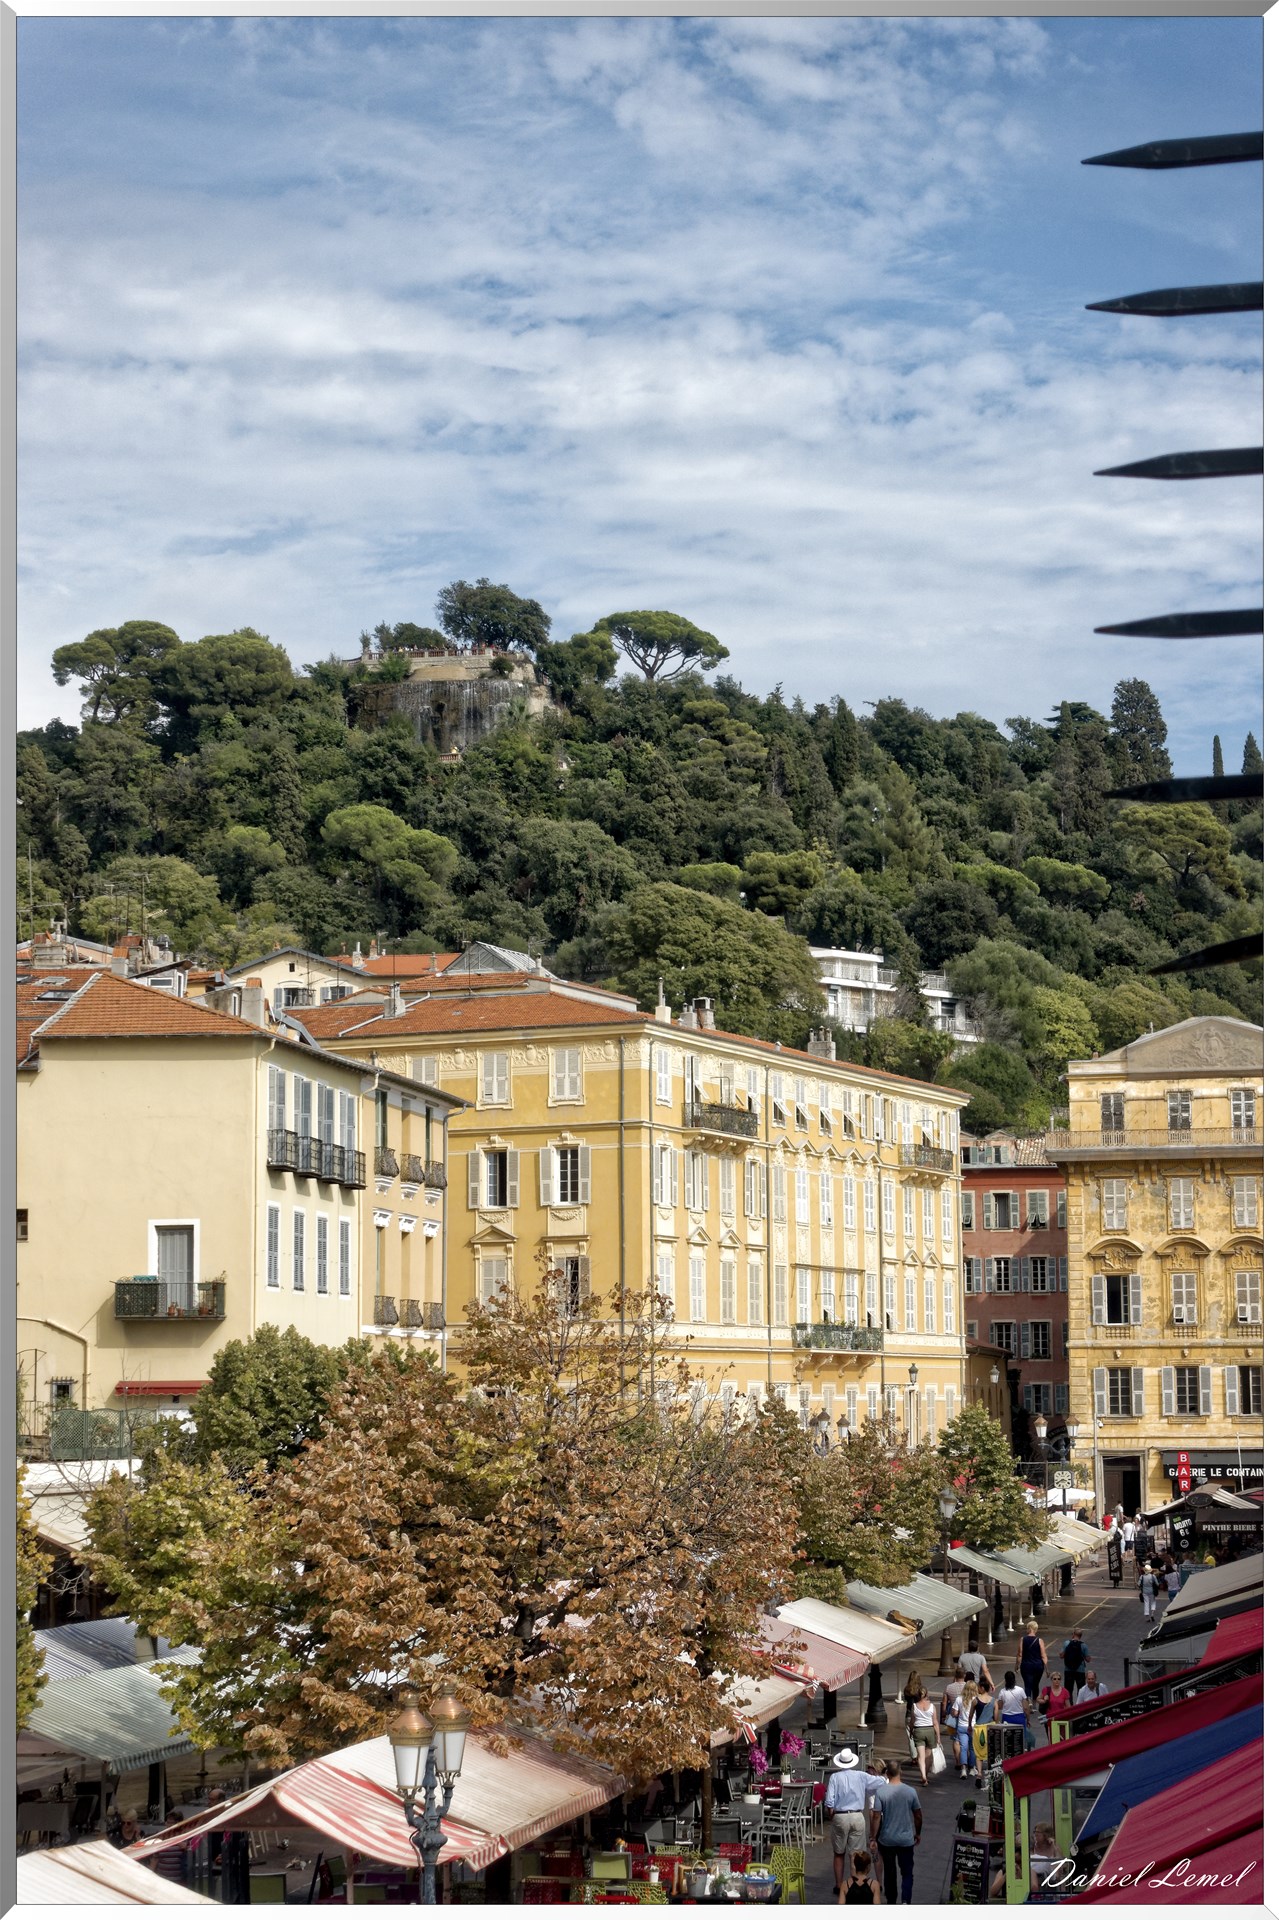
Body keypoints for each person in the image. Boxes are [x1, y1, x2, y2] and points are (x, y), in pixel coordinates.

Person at [824, 1749, 883, 1900]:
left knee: (839, 1853)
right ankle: (857, 1883)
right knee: (856, 1854)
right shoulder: (861, 1776)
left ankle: (839, 1885)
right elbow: (881, 1781)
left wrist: (831, 1814)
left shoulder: (835, 1777)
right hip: (857, 1815)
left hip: (840, 1816)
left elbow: (829, 1802)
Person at [872, 1761, 922, 1906]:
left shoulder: (881, 1792)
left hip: (887, 1839)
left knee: (890, 1871)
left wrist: (873, 1836)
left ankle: (891, 1900)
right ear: (901, 1772)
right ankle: (906, 1900)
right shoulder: (910, 1791)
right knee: (907, 1872)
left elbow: (876, 1816)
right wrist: (917, 1833)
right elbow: (918, 1815)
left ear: (887, 1774)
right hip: (906, 1839)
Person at [907, 1686, 940, 1788]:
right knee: (928, 1756)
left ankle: (923, 1776)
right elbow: (935, 1723)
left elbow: (912, 1721)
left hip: (918, 1731)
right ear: (926, 1694)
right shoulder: (932, 1706)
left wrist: (911, 1731)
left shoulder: (915, 1706)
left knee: (921, 1756)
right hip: (929, 1730)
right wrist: (938, 1737)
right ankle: (926, 1773)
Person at [944, 1681, 978, 1777]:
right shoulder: (976, 1699)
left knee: (963, 1748)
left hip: (962, 1726)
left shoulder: (959, 1699)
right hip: (973, 1726)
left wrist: (960, 1714)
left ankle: (963, 1769)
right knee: (972, 1748)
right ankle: (972, 1768)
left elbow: (954, 1713)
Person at [968, 1680, 996, 1786]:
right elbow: (996, 1716)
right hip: (990, 1728)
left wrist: (969, 1725)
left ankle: (979, 1774)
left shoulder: (975, 1701)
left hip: (979, 1729)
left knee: (979, 1753)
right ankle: (991, 1774)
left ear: (982, 1688)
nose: (978, 1689)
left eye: (979, 1687)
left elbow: (971, 1715)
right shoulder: (994, 1701)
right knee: (990, 1752)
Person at [994, 1670, 1030, 1747]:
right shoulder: (1020, 1690)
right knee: (1020, 1741)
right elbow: (1026, 1708)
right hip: (1019, 1717)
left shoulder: (1002, 1692)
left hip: (1007, 1718)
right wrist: (1028, 1719)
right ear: (1014, 1679)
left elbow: (1000, 1706)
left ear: (1005, 1680)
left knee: (1008, 1741)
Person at [1019, 1616, 1047, 1706]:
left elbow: (1020, 1653)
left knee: (1027, 1684)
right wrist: (1047, 1669)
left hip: (1026, 1665)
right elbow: (1043, 1655)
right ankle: (1034, 1704)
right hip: (1038, 1666)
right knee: (1035, 1684)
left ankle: (1028, 1700)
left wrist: (1016, 1665)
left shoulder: (1023, 1639)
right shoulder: (1040, 1641)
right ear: (1035, 1630)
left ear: (1029, 1628)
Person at [1061, 1630, 1089, 1701]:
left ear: (1073, 1634)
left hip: (1068, 1670)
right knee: (1081, 1689)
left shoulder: (1066, 1643)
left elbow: (1061, 1655)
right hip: (1080, 1670)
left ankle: (1069, 1706)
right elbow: (1088, 1659)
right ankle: (1080, 1705)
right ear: (1080, 1636)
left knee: (1068, 1690)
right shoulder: (1084, 1645)